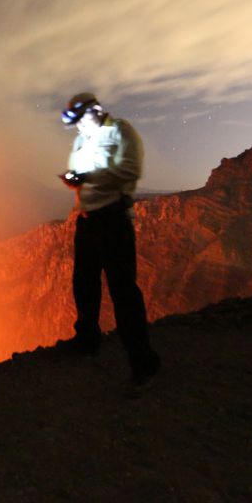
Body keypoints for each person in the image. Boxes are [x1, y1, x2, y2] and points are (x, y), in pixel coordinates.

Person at [56, 92, 161, 388]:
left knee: (122, 290)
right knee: (84, 283)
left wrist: (86, 178)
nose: (78, 128)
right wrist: (77, 183)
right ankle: (87, 340)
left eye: (80, 120)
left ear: (96, 111)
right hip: (87, 221)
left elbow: (130, 170)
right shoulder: (81, 141)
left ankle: (143, 362)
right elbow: (86, 179)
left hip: (114, 220)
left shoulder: (121, 131)